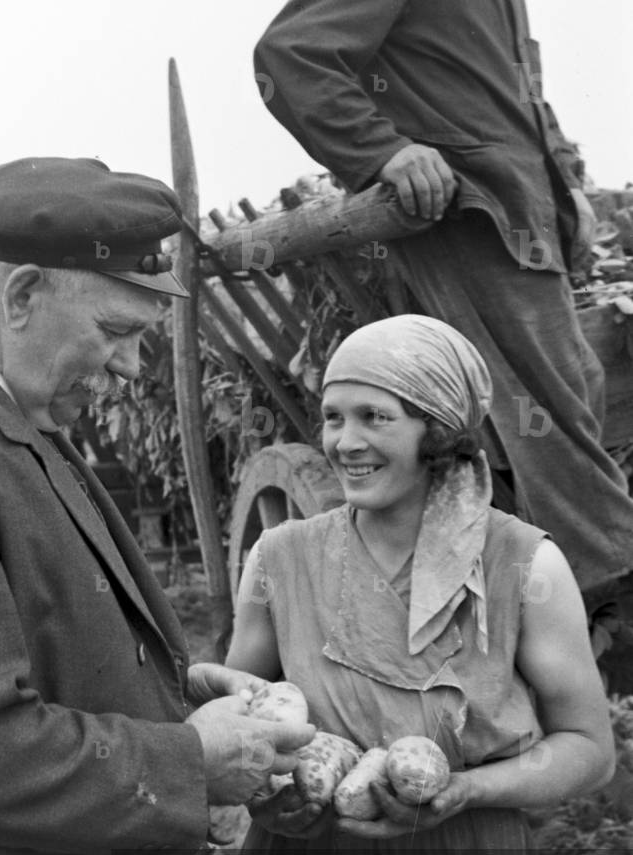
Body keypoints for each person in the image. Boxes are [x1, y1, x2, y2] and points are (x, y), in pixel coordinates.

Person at [0, 157, 314, 855]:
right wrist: (191, 759)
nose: (128, 368)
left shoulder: (10, 415)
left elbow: (33, 631)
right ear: (24, 293)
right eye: (118, 329)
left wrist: (176, 690)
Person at [225, 314, 615, 855]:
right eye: (333, 416)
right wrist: (267, 783)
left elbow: (589, 749)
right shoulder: (278, 559)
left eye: (374, 416)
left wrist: (465, 787)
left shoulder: (522, 564)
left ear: (436, 430)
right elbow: (237, 715)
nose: (344, 442)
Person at [253, 0, 633, 599]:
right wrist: (380, 150)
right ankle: (603, 602)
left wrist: (568, 181)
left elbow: (526, 92)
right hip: (475, 210)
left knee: (576, 388)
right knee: (552, 411)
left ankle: (551, 598)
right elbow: (291, 56)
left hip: (526, 206)